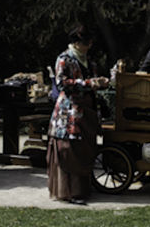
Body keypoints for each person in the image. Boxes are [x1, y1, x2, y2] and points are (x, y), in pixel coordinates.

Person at [47, 25, 109, 205]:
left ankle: (82, 189)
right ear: (75, 42)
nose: (88, 46)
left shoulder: (89, 61)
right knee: (69, 149)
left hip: (87, 110)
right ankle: (69, 192)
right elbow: (62, 84)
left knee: (85, 149)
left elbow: (91, 81)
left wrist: (101, 82)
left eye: (89, 42)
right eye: (85, 43)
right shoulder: (64, 59)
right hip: (69, 112)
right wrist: (89, 82)